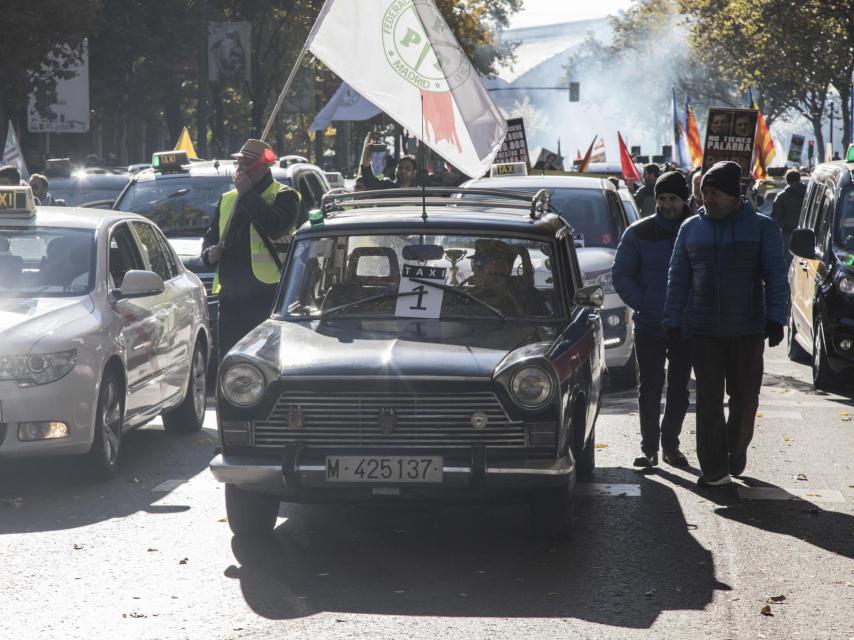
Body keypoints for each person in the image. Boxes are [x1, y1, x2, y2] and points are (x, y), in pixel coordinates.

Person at [663, 161, 788, 487]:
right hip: (703, 331)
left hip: (747, 330)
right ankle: (714, 470)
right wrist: (672, 320)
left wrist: (776, 318)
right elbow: (678, 280)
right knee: (707, 401)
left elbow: (776, 275)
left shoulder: (762, 228)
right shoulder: (690, 229)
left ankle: (736, 448)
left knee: (745, 398)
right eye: (704, 191)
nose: (708, 198)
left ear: (733, 194)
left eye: (715, 192)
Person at [613, 172, 693, 469]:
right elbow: (621, 275)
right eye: (661, 199)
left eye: (672, 198)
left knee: (679, 389)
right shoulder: (638, 232)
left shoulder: (697, 229)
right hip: (649, 324)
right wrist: (644, 302)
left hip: (686, 325)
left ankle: (671, 445)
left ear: (683, 199)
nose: (666, 205)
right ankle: (649, 448)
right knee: (649, 387)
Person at [201, 139, 301, 359]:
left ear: (262, 168)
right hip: (232, 296)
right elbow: (210, 237)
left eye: (245, 164)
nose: (239, 170)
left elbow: (274, 227)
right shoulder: (228, 199)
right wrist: (210, 253)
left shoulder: (285, 196)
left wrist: (247, 194)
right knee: (230, 359)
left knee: (265, 360)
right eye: (238, 164)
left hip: (266, 294)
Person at [772, 168, 807, 265]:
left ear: (787, 180)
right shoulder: (809, 194)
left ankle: (788, 280)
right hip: (807, 233)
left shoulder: (782, 196)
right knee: (805, 262)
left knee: (788, 261)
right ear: (799, 179)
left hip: (788, 233)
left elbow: (775, 217)